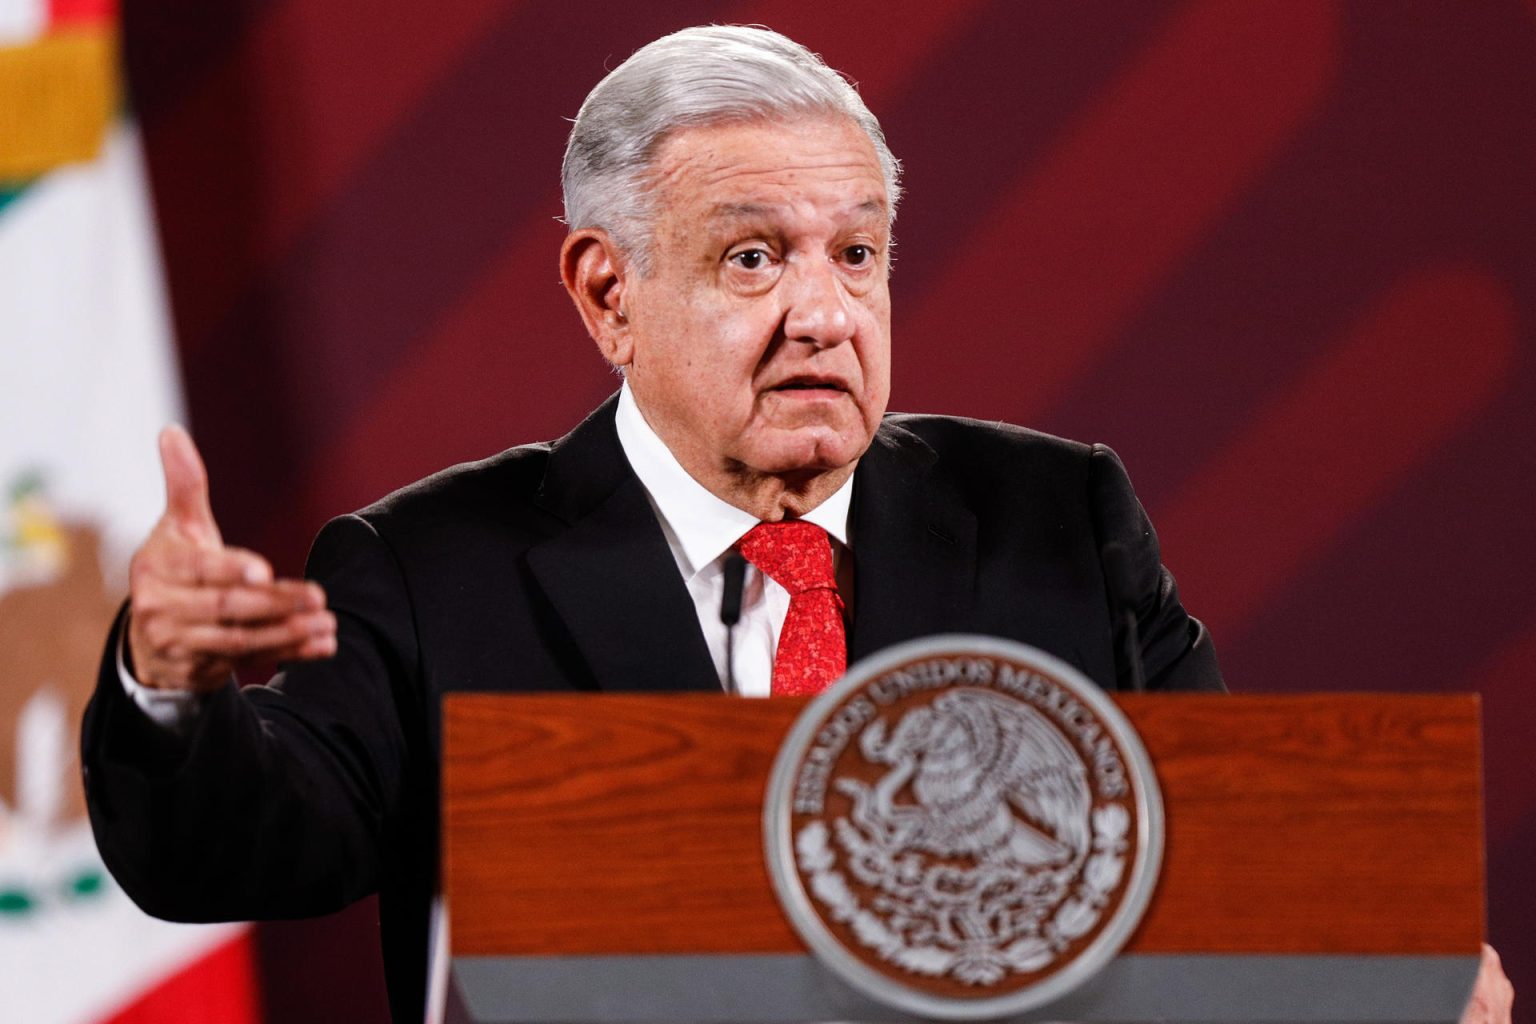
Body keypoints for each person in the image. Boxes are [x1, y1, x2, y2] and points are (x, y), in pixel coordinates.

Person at [80, 25, 1506, 1024]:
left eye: (860, 252)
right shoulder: (433, 571)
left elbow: (1220, 877)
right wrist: (163, 686)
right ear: (605, 292)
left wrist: (1380, 967)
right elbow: (243, 850)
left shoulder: (1055, 519)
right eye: (753, 255)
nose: (824, 311)